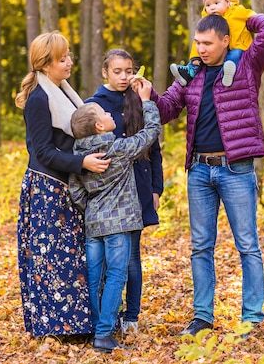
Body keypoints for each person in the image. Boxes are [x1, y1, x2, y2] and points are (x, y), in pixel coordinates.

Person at [146, 13, 264, 337]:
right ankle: (202, 318)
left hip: (236, 170)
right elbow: (166, 110)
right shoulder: (191, 74)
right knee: (200, 247)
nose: (201, 48)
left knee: (247, 246)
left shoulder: (247, 65)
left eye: (208, 43)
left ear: (225, 41)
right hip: (199, 171)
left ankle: (252, 319)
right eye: (198, 42)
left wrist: (236, 15)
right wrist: (149, 93)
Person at [14, 32, 110, 338]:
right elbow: (41, 151)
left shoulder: (65, 92)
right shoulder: (39, 99)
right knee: (51, 259)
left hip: (67, 186)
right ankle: (53, 327)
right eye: (62, 58)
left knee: (72, 256)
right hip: (47, 188)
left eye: (69, 56)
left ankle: (77, 324)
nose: (69, 62)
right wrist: (81, 163)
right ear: (46, 64)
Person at [68, 81, 161, 353]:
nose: (110, 115)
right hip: (119, 225)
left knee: (94, 277)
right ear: (100, 126)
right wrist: (148, 102)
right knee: (117, 275)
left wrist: (93, 210)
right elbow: (151, 132)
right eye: (105, 115)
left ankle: (96, 328)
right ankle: (105, 333)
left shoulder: (80, 156)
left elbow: (76, 192)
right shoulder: (118, 148)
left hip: (94, 225)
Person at [85, 49, 164, 335]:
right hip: (107, 195)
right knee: (105, 260)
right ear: (105, 72)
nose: (124, 76)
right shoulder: (94, 106)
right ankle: (108, 316)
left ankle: (131, 316)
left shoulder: (139, 100)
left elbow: (153, 148)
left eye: (129, 70)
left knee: (131, 257)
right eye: (117, 71)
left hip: (138, 189)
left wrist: (156, 188)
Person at [170, 0, 255, 87]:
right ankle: (188, 72)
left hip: (238, 46)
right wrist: (195, 57)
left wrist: (261, 24)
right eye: (208, 5)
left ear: (227, 2)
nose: (212, 7)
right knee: (200, 52)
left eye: (216, 3)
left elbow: (253, 16)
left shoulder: (237, 11)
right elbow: (199, 42)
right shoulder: (207, 19)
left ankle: (226, 74)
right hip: (216, 51)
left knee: (233, 57)